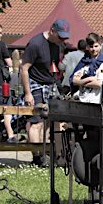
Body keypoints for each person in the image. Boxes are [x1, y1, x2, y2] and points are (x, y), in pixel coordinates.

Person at [20, 18, 68, 166]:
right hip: (35, 84)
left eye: (64, 37)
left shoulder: (57, 45)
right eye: (60, 36)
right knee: (36, 123)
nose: (62, 40)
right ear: (52, 31)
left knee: (49, 122)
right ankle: (37, 157)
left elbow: (52, 64)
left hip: (50, 84)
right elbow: (24, 69)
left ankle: (44, 153)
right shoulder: (36, 44)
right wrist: (28, 93)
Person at [71, 33, 103, 103]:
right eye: (91, 46)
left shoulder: (102, 63)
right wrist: (90, 79)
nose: (94, 49)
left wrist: (81, 82)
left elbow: (99, 84)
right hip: (82, 99)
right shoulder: (84, 61)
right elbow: (73, 80)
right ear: (87, 47)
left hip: (95, 101)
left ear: (100, 46)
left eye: (96, 46)